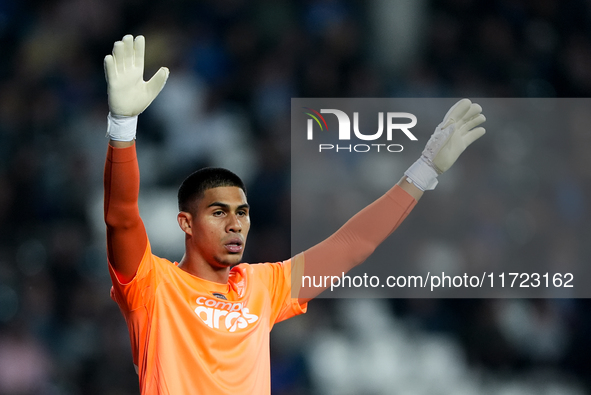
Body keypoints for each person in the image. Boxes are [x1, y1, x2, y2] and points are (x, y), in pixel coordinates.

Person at [103, 35, 485, 395]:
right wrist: (123, 126)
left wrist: (424, 170)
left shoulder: (263, 287)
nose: (235, 223)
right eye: (219, 212)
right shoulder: (153, 285)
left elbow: (353, 244)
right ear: (186, 222)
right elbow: (121, 217)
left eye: (242, 212)